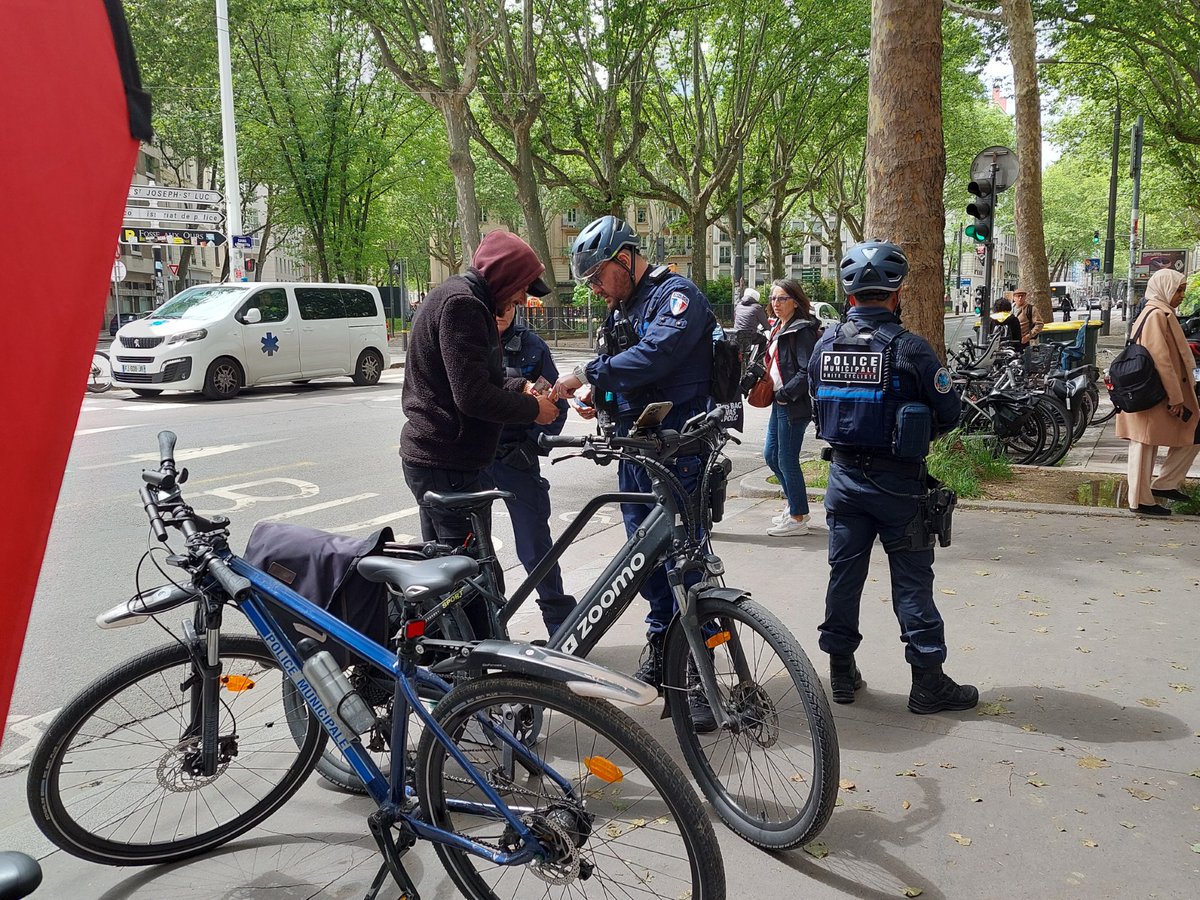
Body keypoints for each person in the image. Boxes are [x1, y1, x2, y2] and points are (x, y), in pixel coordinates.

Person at [808, 239, 977, 715]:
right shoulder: (910, 349)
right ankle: (928, 683)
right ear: (896, 293)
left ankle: (841, 673)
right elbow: (949, 412)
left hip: (842, 479)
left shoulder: (826, 344)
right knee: (911, 583)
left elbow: (810, 399)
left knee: (843, 577)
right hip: (898, 484)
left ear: (849, 295)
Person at [551, 215, 714, 700]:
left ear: (625, 258)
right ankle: (665, 654)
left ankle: (704, 683)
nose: (595, 288)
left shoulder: (675, 297)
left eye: (598, 276)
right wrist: (596, 401)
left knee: (686, 566)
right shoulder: (620, 309)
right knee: (645, 564)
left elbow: (654, 357)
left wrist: (588, 374)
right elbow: (623, 378)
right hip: (635, 452)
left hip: (677, 454)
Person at [400, 230, 560, 631]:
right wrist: (532, 409)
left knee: (445, 578)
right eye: (522, 289)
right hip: (449, 463)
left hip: (439, 459)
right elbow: (471, 396)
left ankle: (440, 667)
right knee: (472, 583)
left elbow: (474, 379)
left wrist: (518, 386)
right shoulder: (463, 306)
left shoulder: (459, 298)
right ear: (504, 276)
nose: (523, 299)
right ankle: (482, 680)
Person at [485, 303, 576, 634]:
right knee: (473, 551)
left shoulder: (532, 345)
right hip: (475, 457)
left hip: (515, 457)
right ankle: (487, 631)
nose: (501, 311)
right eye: (497, 302)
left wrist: (532, 444)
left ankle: (561, 628)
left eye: (509, 304)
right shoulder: (467, 338)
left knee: (535, 544)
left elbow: (557, 405)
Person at [1115, 268, 1200, 516]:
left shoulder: (1159, 312)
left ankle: (1163, 485)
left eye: (1183, 289)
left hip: (1151, 390)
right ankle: (1141, 500)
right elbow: (1160, 359)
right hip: (1153, 392)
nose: (1182, 295)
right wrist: (1176, 398)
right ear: (1165, 288)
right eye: (1178, 290)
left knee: (1182, 434)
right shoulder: (1156, 314)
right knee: (1143, 442)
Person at [762, 279, 820, 536]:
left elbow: (808, 369)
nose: (776, 303)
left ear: (795, 301)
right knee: (771, 456)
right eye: (773, 298)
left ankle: (798, 517)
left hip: (793, 403)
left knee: (786, 459)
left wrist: (786, 393)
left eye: (782, 298)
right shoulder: (778, 327)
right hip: (780, 400)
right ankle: (796, 506)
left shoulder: (801, 330)